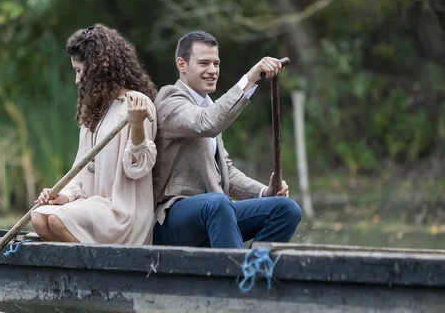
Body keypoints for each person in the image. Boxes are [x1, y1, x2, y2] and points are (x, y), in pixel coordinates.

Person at [152, 31, 301, 249]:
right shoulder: (170, 100)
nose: (212, 71)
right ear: (181, 64)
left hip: (217, 211)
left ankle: (253, 273)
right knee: (218, 203)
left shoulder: (209, 106)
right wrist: (249, 79)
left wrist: (263, 192)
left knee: (286, 208)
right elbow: (207, 123)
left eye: (216, 63)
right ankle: (234, 279)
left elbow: (226, 172)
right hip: (173, 218)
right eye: (204, 63)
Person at [31, 24, 158, 245]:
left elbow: (137, 169)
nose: (77, 80)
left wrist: (137, 126)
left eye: (80, 71)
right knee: (39, 217)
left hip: (122, 212)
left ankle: (100, 265)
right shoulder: (94, 112)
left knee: (56, 221)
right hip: (92, 209)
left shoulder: (137, 103)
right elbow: (80, 172)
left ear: (98, 68)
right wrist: (64, 195)